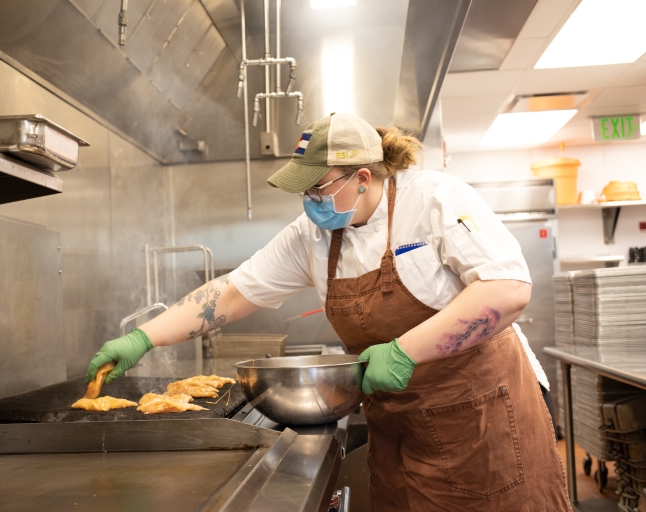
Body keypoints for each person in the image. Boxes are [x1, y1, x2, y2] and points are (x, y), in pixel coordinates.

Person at [86, 113, 572, 511]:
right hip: (398, 427)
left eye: (318, 189)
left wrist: (403, 352)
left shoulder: (436, 201)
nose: (310, 203)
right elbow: (233, 293)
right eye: (304, 193)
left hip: (482, 422)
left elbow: (507, 288)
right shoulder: (312, 235)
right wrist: (144, 338)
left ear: (363, 178)